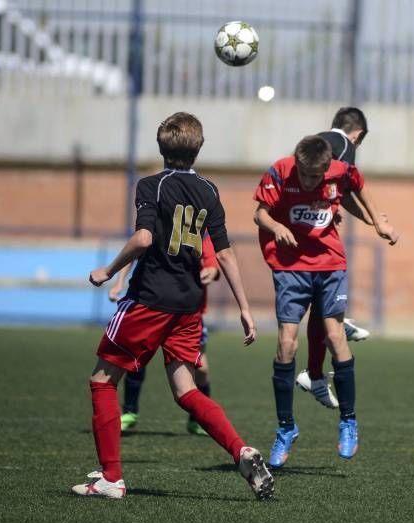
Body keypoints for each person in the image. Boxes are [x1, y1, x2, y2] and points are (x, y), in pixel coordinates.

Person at [72, 112, 273, 500]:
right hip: (188, 307)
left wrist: (108, 269)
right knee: (186, 390)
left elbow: (144, 238)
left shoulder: (152, 185)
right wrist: (245, 309)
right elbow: (227, 255)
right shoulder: (210, 191)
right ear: (198, 148)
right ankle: (240, 450)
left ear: (161, 146)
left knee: (101, 381)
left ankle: (111, 478)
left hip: (149, 300)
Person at [253, 135, 398, 469]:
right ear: (297, 163)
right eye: (304, 175)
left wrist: (378, 220)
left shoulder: (339, 171)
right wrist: (276, 226)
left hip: (330, 263)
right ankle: (286, 428)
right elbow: (260, 214)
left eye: (315, 177)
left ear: (326, 168)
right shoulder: (280, 171)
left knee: (335, 336)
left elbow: (359, 184)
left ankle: (348, 420)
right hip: (290, 267)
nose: (308, 181)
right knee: (286, 344)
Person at [296, 107, 378, 409]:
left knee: (321, 305)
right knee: (324, 302)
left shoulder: (317, 142)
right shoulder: (343, 145)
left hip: (303, 227)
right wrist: (372, 218)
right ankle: (319, 364)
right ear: (358, 134)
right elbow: (344, 188)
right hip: (314, 238)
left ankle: (316, 372)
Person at [107, 232, 220, 435]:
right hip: (152, 307)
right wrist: (119, 283)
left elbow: (214, 264)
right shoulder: (155, 228)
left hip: (187, 313)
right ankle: (130, 411)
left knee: (200, 369)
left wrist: (211, 272)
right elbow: (135, 250)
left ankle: (197, 419)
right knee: (135, 358)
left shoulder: (200, 232)